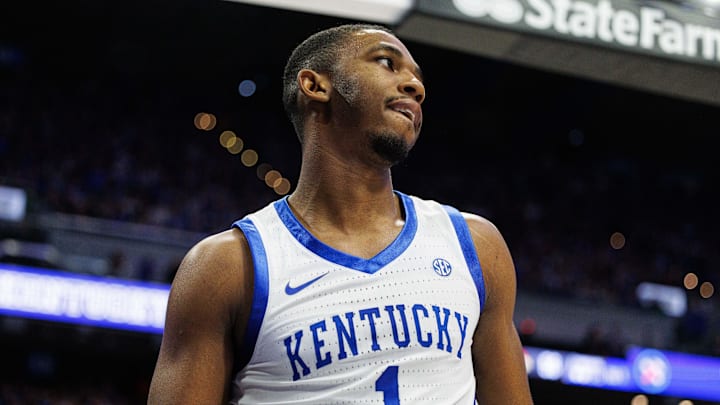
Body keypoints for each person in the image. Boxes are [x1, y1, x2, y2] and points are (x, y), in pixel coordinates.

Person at [148, 23, 533, 404]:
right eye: (387, 62)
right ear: (316, 86)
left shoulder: (476, 245)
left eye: (417, 78)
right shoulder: (228, 266)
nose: (416, 86)